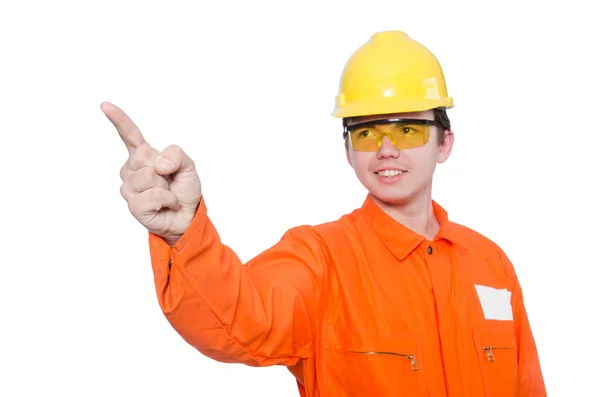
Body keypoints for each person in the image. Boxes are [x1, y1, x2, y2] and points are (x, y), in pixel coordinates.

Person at [102, 30, 546, 396]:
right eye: (367, 132)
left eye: (407, 129)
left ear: (444, 143)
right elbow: (239, 323)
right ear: (348, 151)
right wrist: (185, 234)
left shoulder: (490, 264)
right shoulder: (318, 260)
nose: (386, 149)